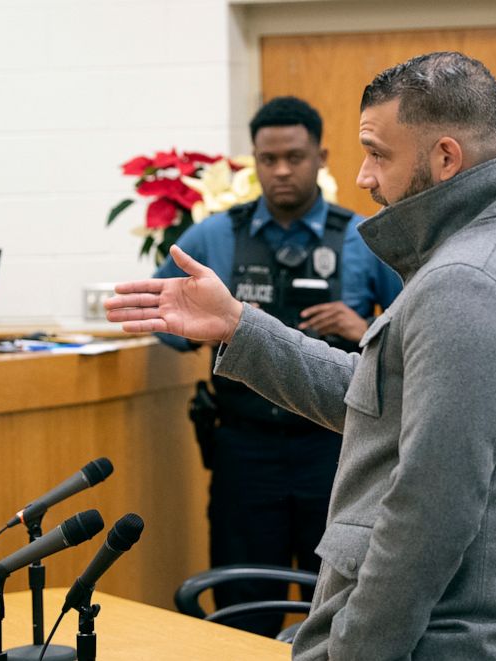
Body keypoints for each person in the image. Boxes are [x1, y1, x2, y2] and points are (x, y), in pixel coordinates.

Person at [107, 52, 496, 660]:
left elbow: (429, 519)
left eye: (379, 153)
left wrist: (352, 652)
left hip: (434, 641)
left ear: (445, 157)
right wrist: (238, 326)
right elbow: (380, 397)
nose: (364, 176)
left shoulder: (466, 283)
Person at [151, 96, 402, 636]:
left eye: (295, 156)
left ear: (322, 157)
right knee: (243, 604)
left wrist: (363, 330)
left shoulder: (363, 238)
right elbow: (159, 316)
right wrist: (204, 329)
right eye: (269, 159)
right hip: (245, 449)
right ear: (254, 162)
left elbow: (417, 327)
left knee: (337, 597)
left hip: (335, 448)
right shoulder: (214, 236)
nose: (282, 170)